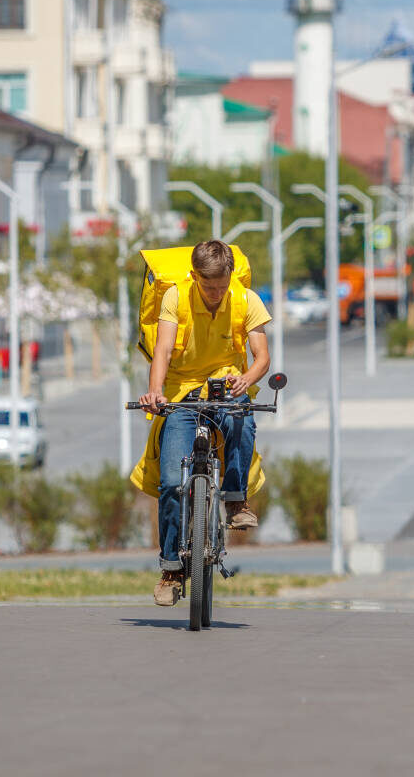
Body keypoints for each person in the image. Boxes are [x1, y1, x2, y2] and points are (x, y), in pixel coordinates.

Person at [136, 240, 272, 606]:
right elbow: (163, 349)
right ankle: (170, 570)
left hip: (228, 385)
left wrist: (247, 378)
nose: (215, 294)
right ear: (194, 276)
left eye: (221, 286)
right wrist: (155, 391)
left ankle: (234, 500)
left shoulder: (246, 299)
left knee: (241, 420)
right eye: (208, 286)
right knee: (170, 482)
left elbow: (262, 357)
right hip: (182, 393)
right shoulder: (176, 298)